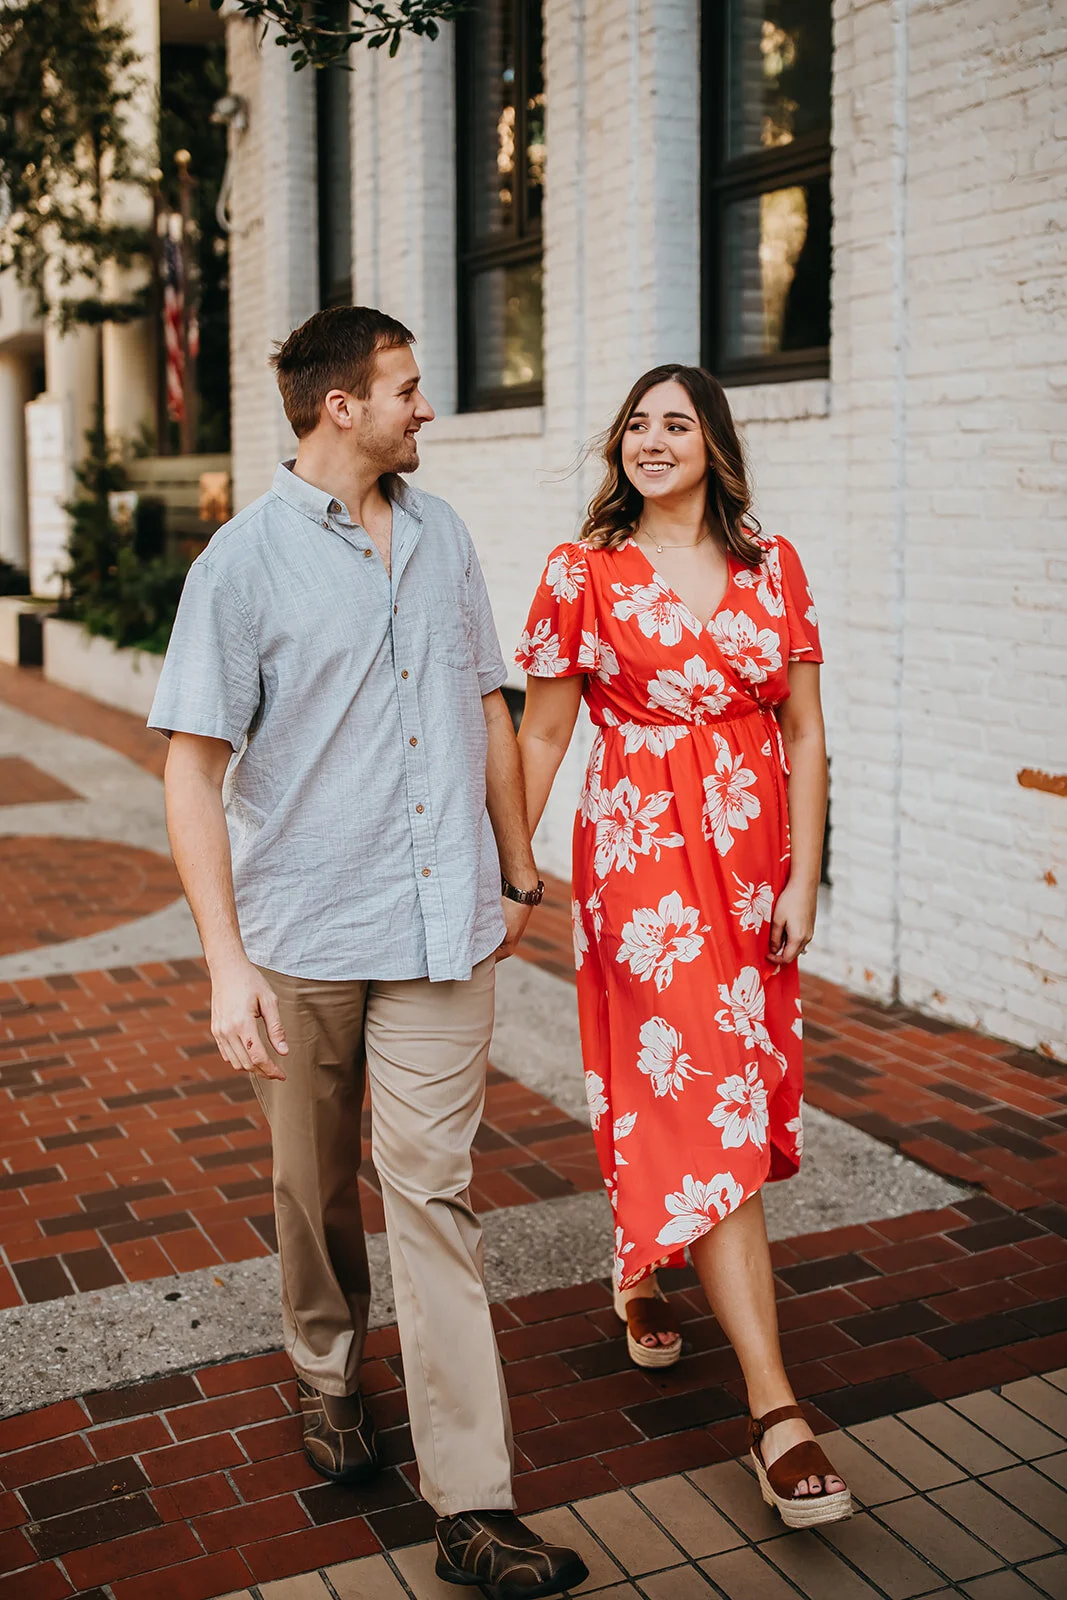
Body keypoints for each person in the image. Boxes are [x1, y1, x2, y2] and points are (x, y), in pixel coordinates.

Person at [148, 305, 587, 1597]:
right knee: (311, 1184)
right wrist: (226, 964)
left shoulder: (441, 533)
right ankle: (328, 1370)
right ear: (340, 405)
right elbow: (190, 770)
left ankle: (474, 1503)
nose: (423, 408)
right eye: (405, 387)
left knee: (430, 1193)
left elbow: (485, 704)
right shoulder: (238, 567)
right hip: (303, 936)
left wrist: (514, 861)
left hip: (440, 924)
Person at [516, 363, 851, 1529]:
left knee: (730, 1091)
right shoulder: (582, 571)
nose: (651, 441)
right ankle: (775, 1412)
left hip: (753, 865)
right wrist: (510, 867)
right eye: (635, 426)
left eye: (675, 423)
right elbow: (545, 729)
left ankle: (638, 1261)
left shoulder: (774, 563)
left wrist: (804, 875)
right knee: (702, 1093)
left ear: (713, 442)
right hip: (646, 863)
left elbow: (804, 732)